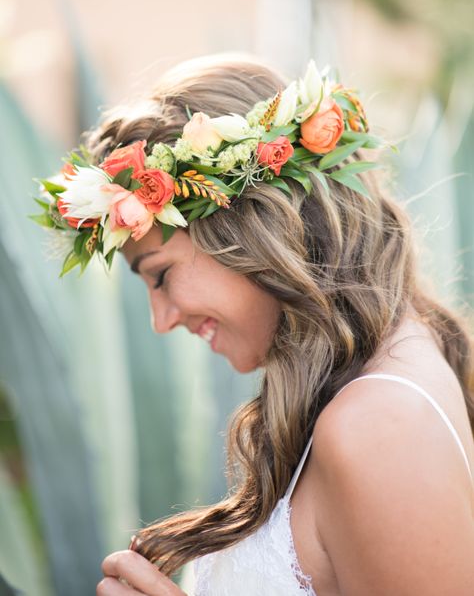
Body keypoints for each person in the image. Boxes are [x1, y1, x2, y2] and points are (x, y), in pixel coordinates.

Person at [33, 53, 474, 595]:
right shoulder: (368, 387)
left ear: (248, 227)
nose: (161, 320)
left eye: (161, 275)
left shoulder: (379, 425)